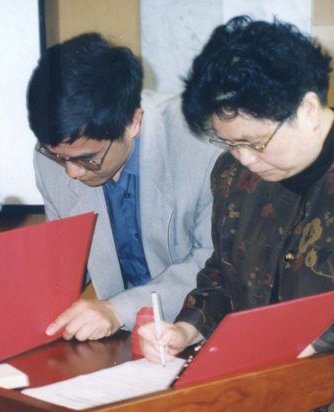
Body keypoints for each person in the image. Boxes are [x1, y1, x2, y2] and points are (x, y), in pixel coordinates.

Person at [138, 16, 334, 411]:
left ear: (306, 109)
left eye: (256, 143)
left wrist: (314, 339)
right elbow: (223, 272)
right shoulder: (232, 177)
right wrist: (187, 327)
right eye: (229, 143)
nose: (244, 159)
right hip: (272, 393)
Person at [26, 33, 221, 342]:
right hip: (126, 342)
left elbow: (213, 267)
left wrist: (118, 310)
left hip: (200, 330)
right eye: (60, 157)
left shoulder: (204, 145)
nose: (72, 172)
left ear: (133, 122)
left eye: (88, 159)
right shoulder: (54, 158)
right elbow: (64, 265)